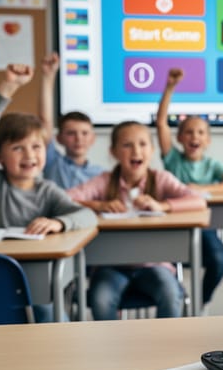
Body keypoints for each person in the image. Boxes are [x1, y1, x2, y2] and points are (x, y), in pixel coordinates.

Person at [0, 63, 98, 322]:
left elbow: (87, 215)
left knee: (53, 317)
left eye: (36, 146)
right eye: (18, 148)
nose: (30, 155)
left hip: (31, 287)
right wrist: (8, 87)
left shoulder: (47, 191)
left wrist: (58, 222)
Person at [68, 121, 207, 320]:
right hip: (111, 266)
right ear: (113, 151)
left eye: (143, 144)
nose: (136, 151)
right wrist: (98, 205)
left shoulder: (161, 178)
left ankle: (164, 351)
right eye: (127, 145)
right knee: (100, 299)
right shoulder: (105, 181)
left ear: (152, 150)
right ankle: (112, 350)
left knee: (171, 294)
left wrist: (162, 206)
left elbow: (198, 200)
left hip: (154, 265)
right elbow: (66, 198)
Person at [156, 68, 223, 309]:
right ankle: (177, 300)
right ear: (180, 138)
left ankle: (199, 303)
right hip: (170, 227)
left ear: (208, 140)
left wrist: (199, 188)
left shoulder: (211, 165)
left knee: (219, 259)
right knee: (163, 269)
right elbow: (161, 123)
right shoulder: (173, 160)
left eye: (200, 132)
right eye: (188, 132)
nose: (194, 136)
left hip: (203, 229)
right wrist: (170, 88)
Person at [38, 52, 104, 189]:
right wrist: (48, 77)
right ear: (59, 138)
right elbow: (44, 121)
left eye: (84, 133)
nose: (78, 139)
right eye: (71, 133)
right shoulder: (53, 163)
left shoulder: (101, 174)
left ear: (93, 138)